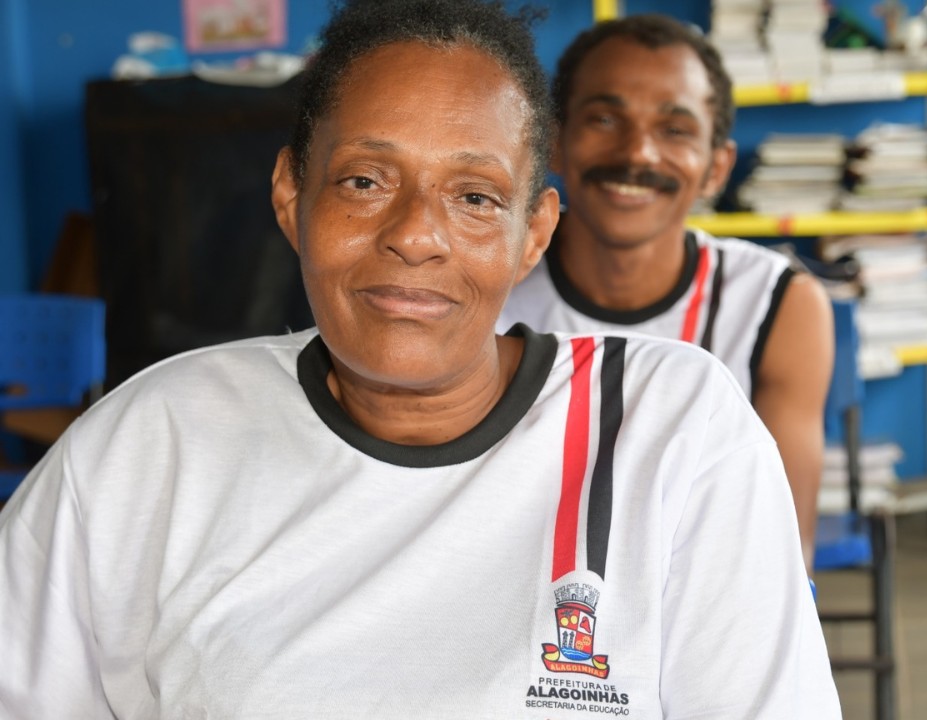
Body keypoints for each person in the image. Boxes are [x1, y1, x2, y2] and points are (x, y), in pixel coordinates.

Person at [0, 1, 840, 718]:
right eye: (366, 181)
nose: (414, 234)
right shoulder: (150, 445)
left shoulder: (673, 430)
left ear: (533, 233)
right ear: (292, 197)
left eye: (475, 197)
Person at [498, 14, 835, 572]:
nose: (638, 154)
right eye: (605, 118)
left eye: (674, 129)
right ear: (553, 141)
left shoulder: (779, 304)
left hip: (701, 607)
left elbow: (781, 551)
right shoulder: (486, 286)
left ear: (715, 168)